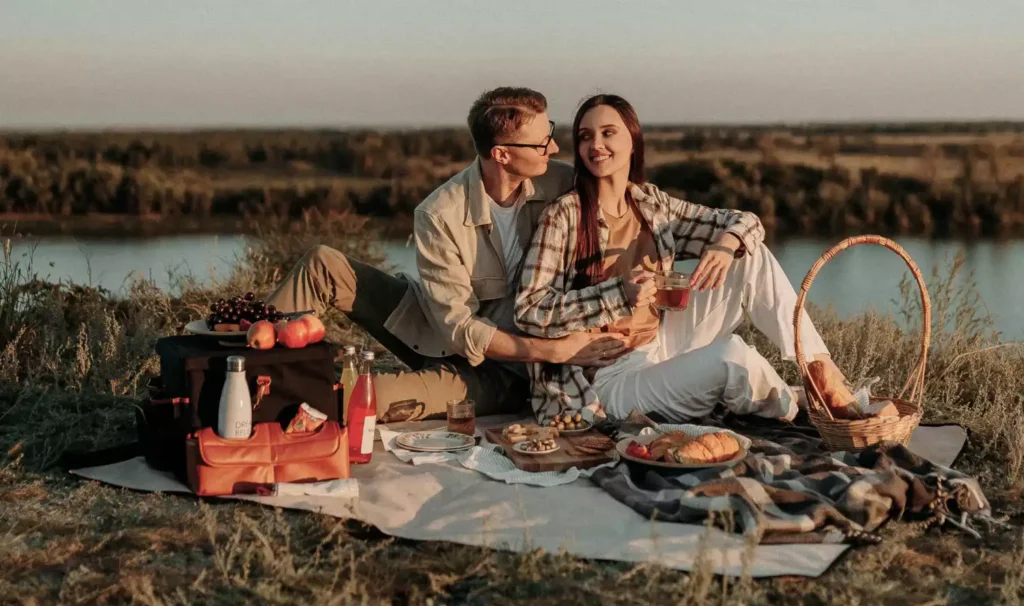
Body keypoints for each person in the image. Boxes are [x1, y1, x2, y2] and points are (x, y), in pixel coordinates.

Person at [266, 87, 628, 422]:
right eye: (541, 143)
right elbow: (458, 328)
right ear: (501, 154)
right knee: (321, 263)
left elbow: (633, 204)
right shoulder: (439, 212)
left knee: (357, 396)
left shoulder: (560, 182)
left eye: (549, 133)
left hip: (503, 371)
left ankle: (270, 394)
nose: (552, 149)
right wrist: (557, 351)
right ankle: (255, 363)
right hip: (440, 333)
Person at [514, 94, 851, 423]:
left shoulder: (652, 204)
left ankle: (820, 371)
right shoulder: (564, 216)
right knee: (732, 357)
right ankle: (807, 408)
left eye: (608, 133)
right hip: (608, 377)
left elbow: (747, 222)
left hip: (661, 342)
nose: (595, 144)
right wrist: (618, 294)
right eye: (585, 136)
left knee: (750, 254)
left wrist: (723, 244)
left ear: (633, 140)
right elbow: (529, 310)